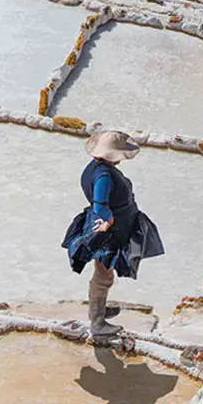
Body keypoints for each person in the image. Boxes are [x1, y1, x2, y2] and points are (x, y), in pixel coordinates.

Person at [61, 129, 164, 338]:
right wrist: (107, 220)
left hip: (107, 226)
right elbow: (100, 203)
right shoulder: (104, 176)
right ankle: (97, 322)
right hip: (110, 231)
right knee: (103, 274)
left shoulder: (94, 168)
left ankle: (98, 309)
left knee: (103, 272)